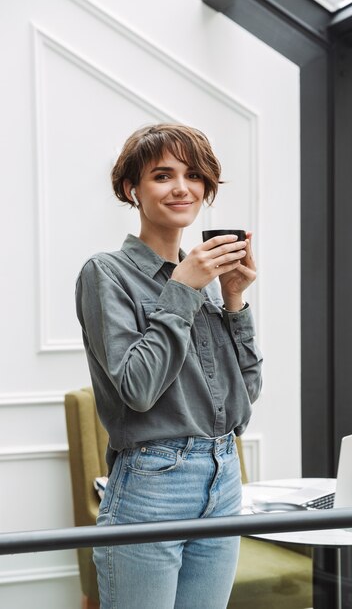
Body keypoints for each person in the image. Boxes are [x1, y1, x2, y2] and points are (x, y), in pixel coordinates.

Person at [75, 123, 263, 609]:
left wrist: (235, 300)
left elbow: (246, 396)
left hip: (224, 479)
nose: (183, 187)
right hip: (152, 484)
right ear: (130, 189)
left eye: (194, 175)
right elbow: (137, 388)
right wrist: (183, 289)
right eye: (163, 175)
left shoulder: (200, 279)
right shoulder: (106, 273)